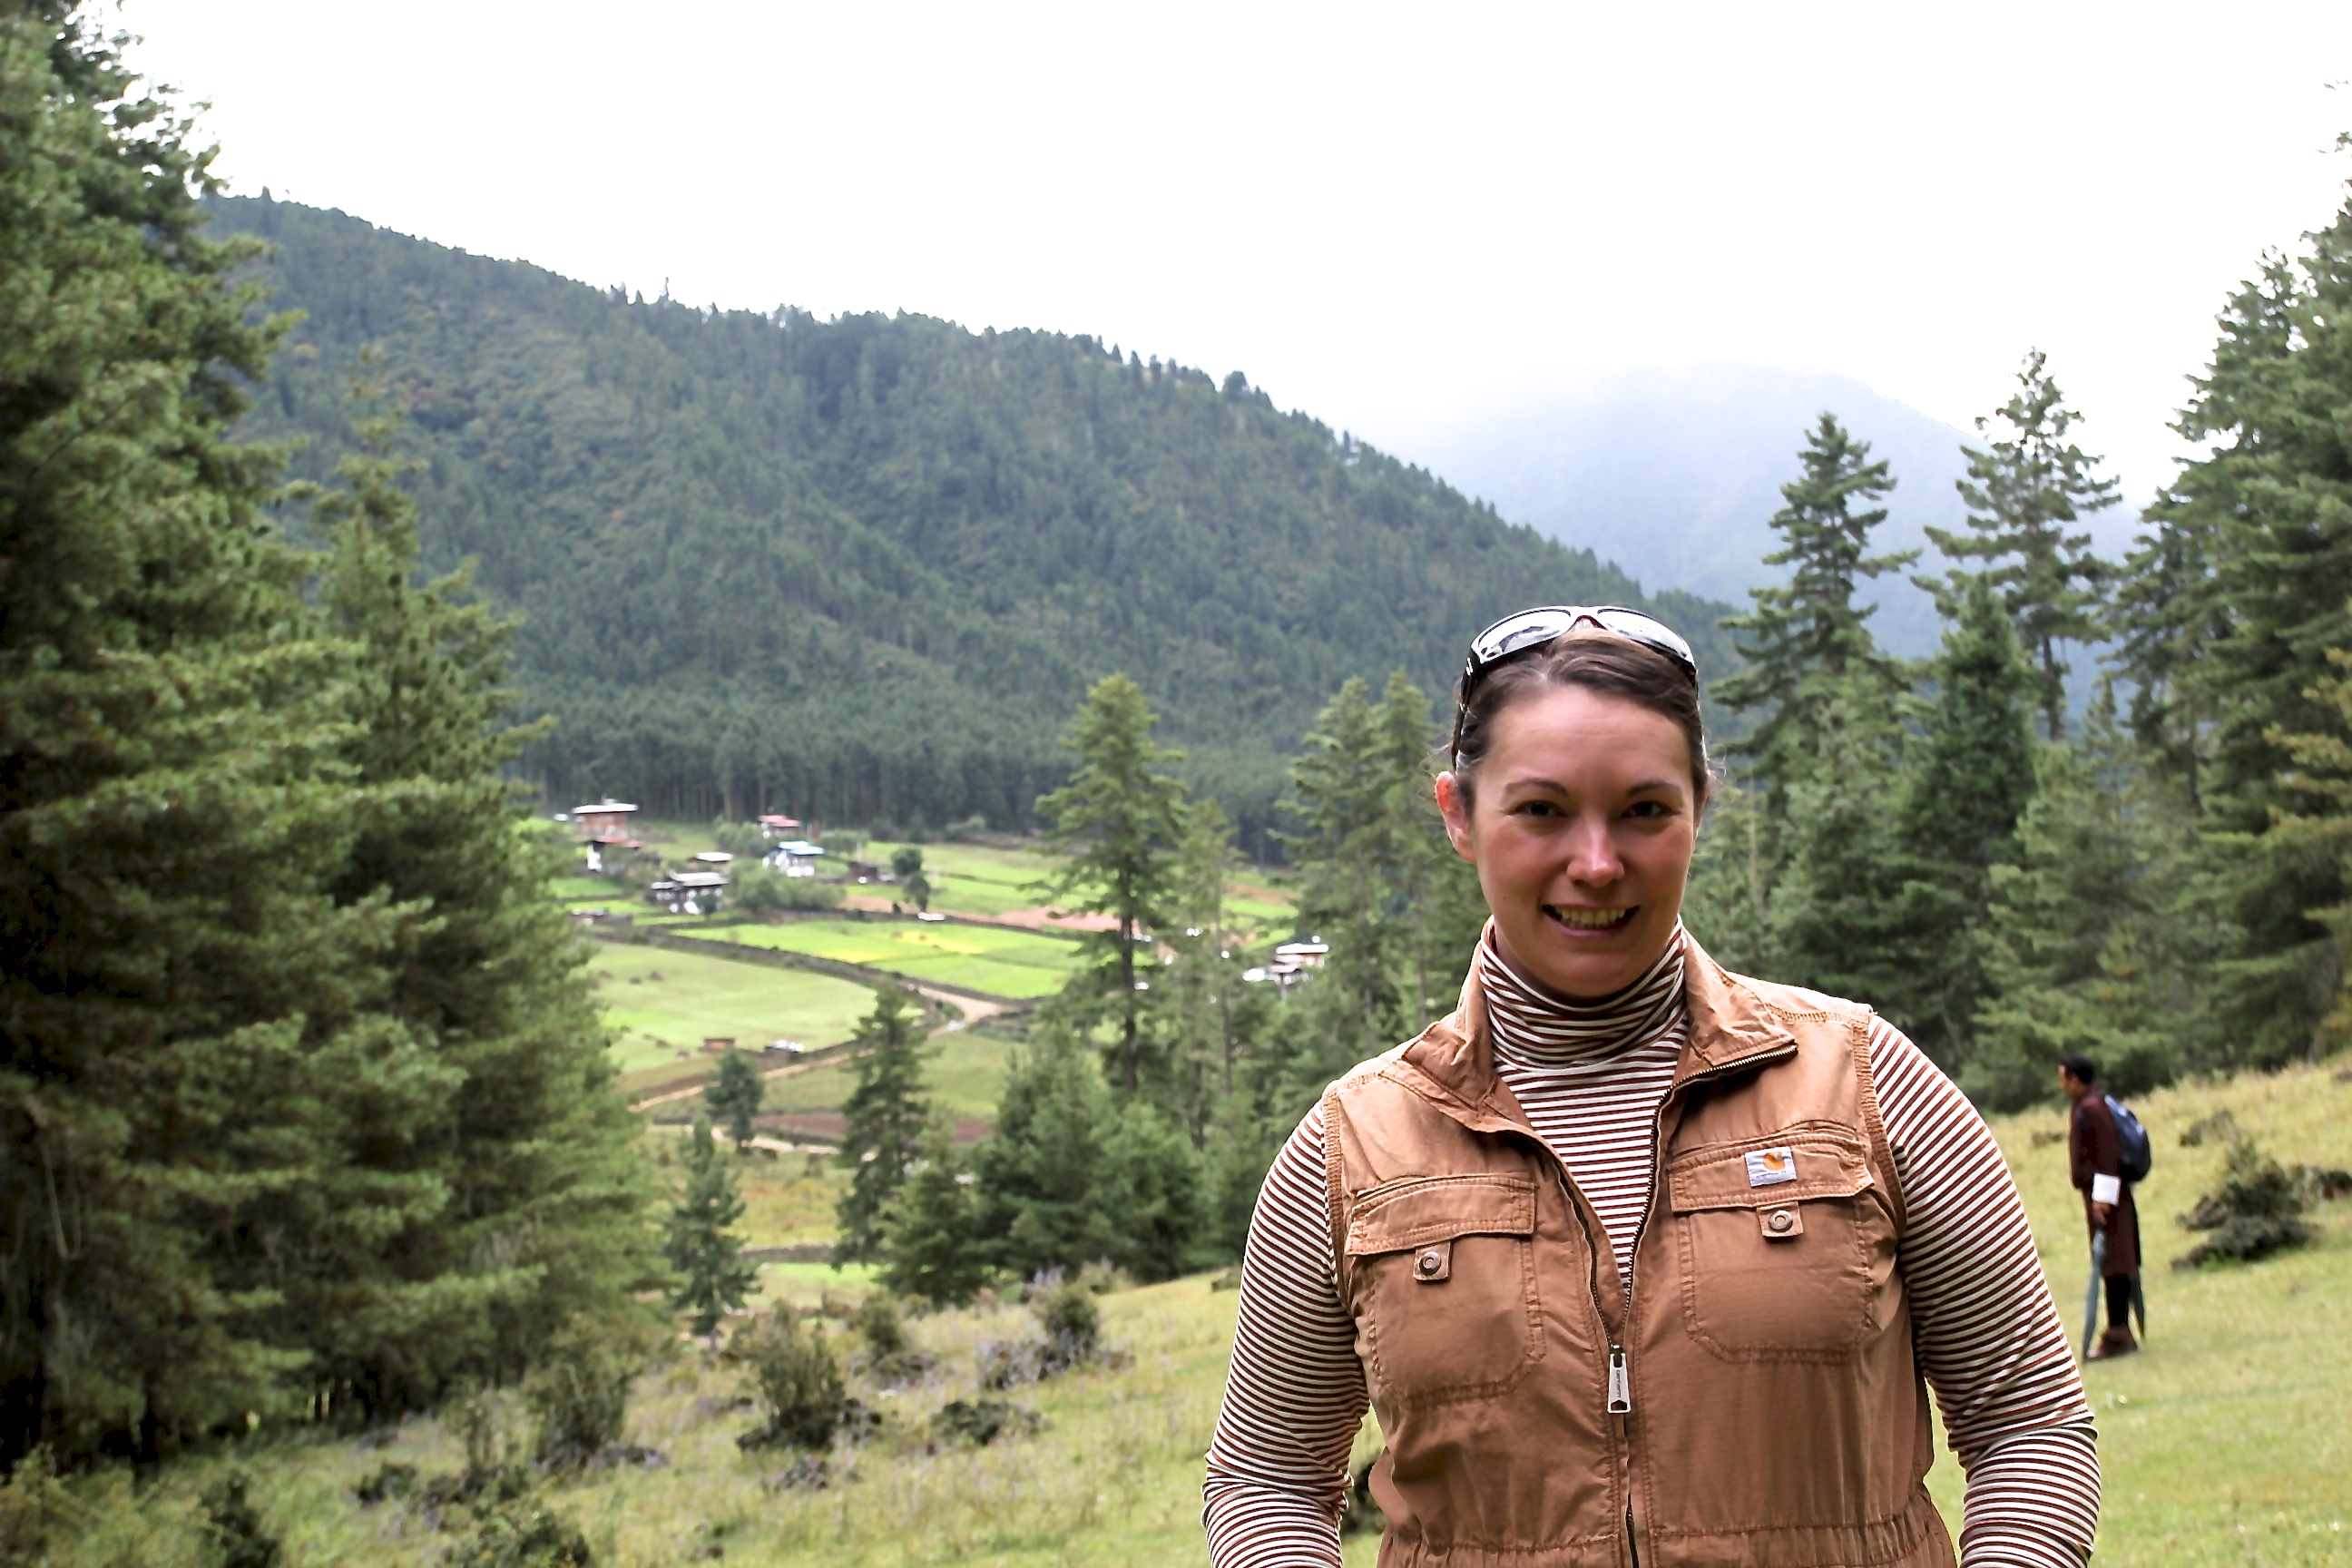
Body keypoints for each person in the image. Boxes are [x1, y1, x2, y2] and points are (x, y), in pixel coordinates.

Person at [1203, 607, 2098, 1568]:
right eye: (1541, 811)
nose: (1597, 865)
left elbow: (2030, 1425)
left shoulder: (1867, 1082)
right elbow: (1266, 1480)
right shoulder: (1349, 1147)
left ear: (1698, 807)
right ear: (1459, 814)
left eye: (1644, 810)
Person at [2059, 1052, 2141, 1361]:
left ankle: (2118, 1333)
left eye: (2063, 1078)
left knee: (2115, 1263)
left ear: (2075, 1080)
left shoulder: (2093, 1108)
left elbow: (2107, 1155)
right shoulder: (2090, 1104)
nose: (2061, 1085)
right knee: (2112, 1261)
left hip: (2108, 1200)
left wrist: (2103, 1198)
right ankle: (2119, 1330)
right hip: (2103, 1197)